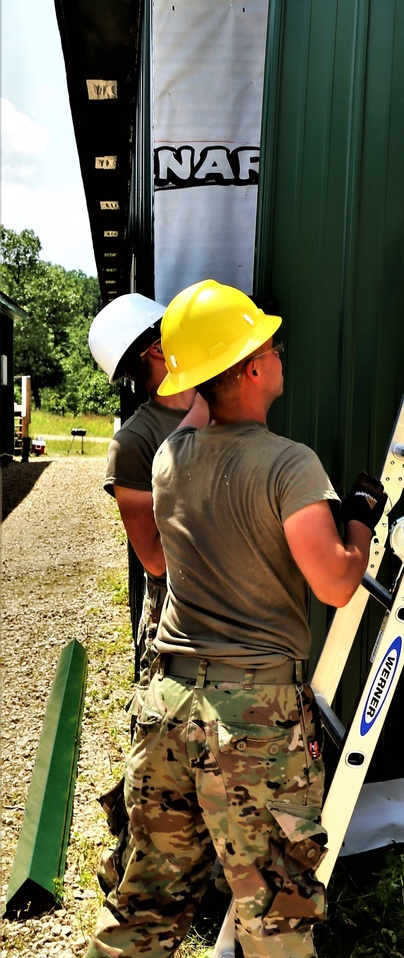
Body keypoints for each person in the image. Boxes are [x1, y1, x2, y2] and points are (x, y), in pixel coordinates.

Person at [75, 279, 388, 958]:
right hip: (250, 724)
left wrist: (187, 365)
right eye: (270, 345)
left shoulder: (165, 460)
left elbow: (189, 417)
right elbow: (337, 584)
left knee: (145, 903)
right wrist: (362, 517)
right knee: (272, 915)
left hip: (167, 708)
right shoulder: (289, 464)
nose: (281, 353)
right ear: (251, 368)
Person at [88, 293, 207, 687]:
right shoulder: (133, 443)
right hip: (179, 623)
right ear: (158, 347)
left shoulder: (229, 401)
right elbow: (155, 561)